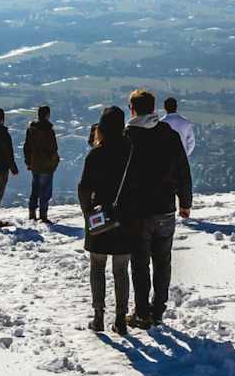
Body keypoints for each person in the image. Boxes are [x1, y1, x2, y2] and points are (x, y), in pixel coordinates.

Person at [122, 89, 192, 329]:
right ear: (154, 109)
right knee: (163, 262)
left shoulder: (128, 135)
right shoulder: (169, 134)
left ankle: (142, 312)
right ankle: (159, 310)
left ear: (132, 109)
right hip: (165, 208)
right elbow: (183, 169)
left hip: (137, 211)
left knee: (140, 263)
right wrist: (185, 202)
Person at [78, 106, 139, 335]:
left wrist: (88, 213)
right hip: (126, 218)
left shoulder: (96, 154)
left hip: (100, 219)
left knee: (97, 267)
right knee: (121, 271)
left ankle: (98, 316)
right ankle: (121, 319)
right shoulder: (132, 151)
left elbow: (84, 188)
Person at [22, 106, 59, 223]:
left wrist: (28, 161)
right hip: (47, 165)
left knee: (35, 189)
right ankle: (43, 216)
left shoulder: (31, 129)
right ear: (47, 115)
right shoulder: (49, 130)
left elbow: (26, 147)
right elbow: (54, 148)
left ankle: (32, 214)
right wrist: (55, 162)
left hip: (34, 164)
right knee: (45, 191)